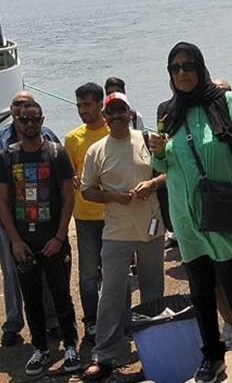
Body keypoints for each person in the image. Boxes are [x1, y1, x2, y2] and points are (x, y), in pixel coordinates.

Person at [150, 42, 232, 383]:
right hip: (187, 217)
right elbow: (163, 165)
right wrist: (157, 153)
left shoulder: (226, 103)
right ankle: (212, 357)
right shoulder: (167, 112)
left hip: (227, 212)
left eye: (187, 65)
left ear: (200, 67)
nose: (182, 73)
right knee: (201, 291)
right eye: (174, 68)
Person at [81, 92, 165, 380]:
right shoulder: (97, 150)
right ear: (104, 116)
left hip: (151, 228)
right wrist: (112, 197)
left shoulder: (146, 140)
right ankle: (104, 356)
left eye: (121, 110)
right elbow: (86, 190)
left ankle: (153, 352)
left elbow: (168, 170)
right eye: (111, 111)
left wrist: (151, 183)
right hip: (116, 232)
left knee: (154, 291)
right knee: (112, 294)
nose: (117, 116)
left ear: (130, 113)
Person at [0, 101, 80, 376]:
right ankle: (40, 348)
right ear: (17, 121)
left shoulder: (56, 153)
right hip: (24, 243)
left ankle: (70, 345)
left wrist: (60, 236)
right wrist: (15, 240)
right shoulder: (8, 156)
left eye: (35, 119)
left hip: (53, 240)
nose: (30, 124)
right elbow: (2, 202)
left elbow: (69, 195)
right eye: (24, 119)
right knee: (31, 298)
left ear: (42, 119)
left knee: (61, 295)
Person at [0, 91, 61, 347]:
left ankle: (52, 322)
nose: (22, 111)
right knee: (12, 273)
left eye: (27, 106)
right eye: (17, 105)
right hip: (8, 221)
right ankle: (13, 324)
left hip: (41, 217)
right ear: (11, 109)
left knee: (46, 273)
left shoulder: (47, 135)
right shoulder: (2, 140)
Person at [64, 83, 110, 344]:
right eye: (79, 105)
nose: (82, 110)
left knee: (118, 272)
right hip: (85, 217)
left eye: (88, 104)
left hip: (114, 214)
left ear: (100, 104)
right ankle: (91, 321)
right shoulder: (72, 138)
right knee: (89, 273)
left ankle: (120, 317)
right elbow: (70, 176)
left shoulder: (112, 131)